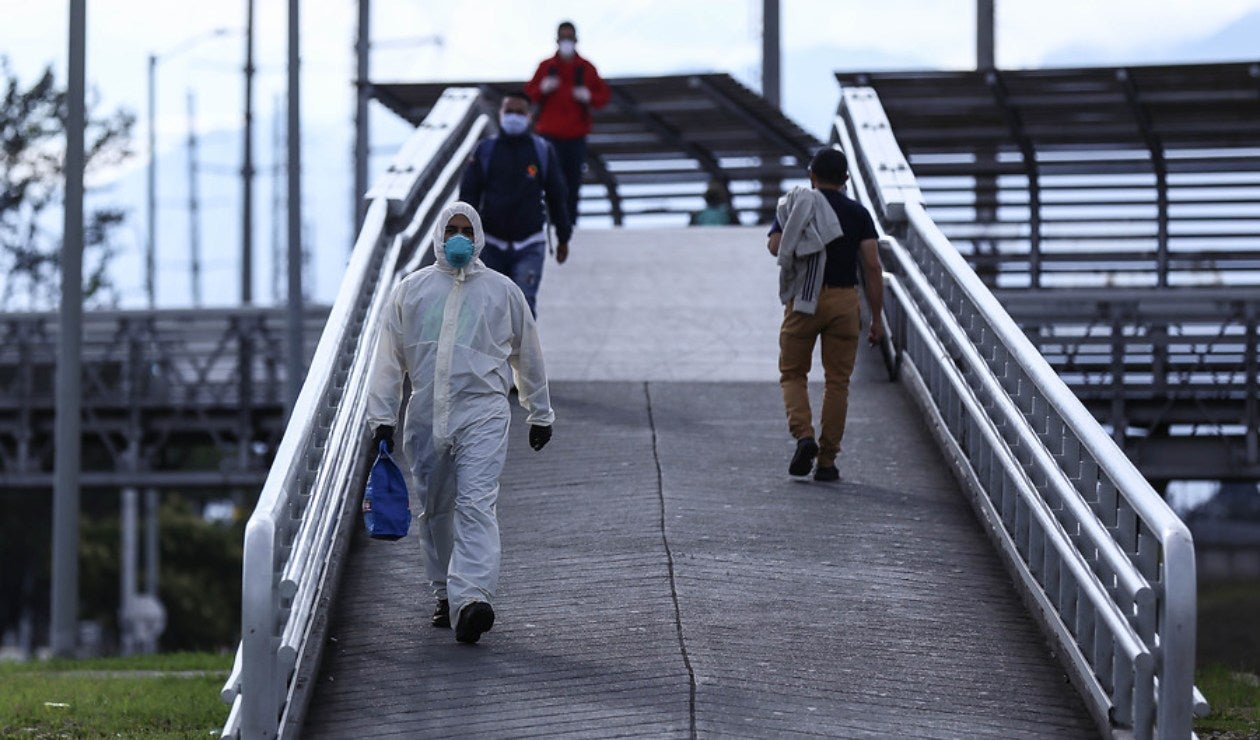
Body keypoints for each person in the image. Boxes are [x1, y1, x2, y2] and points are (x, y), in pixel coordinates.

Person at [365, 201, 555, 645]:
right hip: (426, 413)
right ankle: (445, 593)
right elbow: (388, 362)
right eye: (451, 228)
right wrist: (382, 417)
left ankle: (472, 599)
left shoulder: (501, 292)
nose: (458, 237)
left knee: (475, 502)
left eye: (466, 230)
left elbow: (528, 353)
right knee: (435, 508)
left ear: (479, 236)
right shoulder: (411, 292)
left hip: (483, 411)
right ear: (437, 233)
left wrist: (539, 411)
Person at [767, 148, 884, 482]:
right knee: (837, 382)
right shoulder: (858, 214)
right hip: (845, 301)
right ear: (846, 179)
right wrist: (876, 318)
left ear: (811, 176)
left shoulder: (797, 204)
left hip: (804, 300)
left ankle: (804, 436)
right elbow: (872, 266)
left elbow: (776, 246)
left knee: (792, 373)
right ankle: (828, 461)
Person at [459, 93, 572, 317]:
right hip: (491, 243)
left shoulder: (541, 151)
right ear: (500, 114)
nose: (513, 117)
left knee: (523, 306)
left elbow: (557, 195)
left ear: (529, 117)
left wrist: (563, 237)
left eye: (519, 113)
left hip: (529, 242)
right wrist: (463, 236)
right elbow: (469, 194)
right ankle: (494, 352)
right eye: (509, 111)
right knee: (490, 307)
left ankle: (520, 352)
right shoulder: (485, 150)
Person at [524, 20, 610, 228]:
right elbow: (529, 94)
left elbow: (603, 97)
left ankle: (569, 224)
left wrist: (588, 96)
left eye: (569, 38)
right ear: (557, 40)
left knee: (572, 182)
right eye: (563, 38)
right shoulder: (546, 67)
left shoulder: (586, 68)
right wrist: (542, 89)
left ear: (576, 40)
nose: (566, 42)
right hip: (548, 135)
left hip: (575, 136)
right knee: (548, 180)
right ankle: (549, 222)